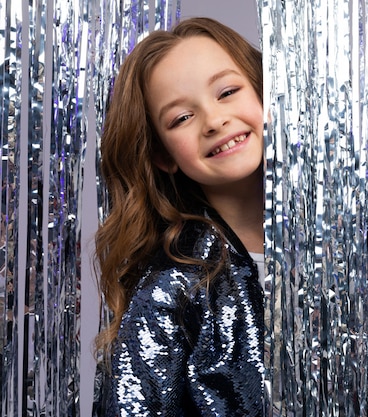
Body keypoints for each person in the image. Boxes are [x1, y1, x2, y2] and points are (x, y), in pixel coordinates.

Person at [92, 17, 265, 416]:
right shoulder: (171, 289)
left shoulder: (347, 249)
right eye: (181, 118)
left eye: (227, 92)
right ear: (163, 155)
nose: (214, 121)